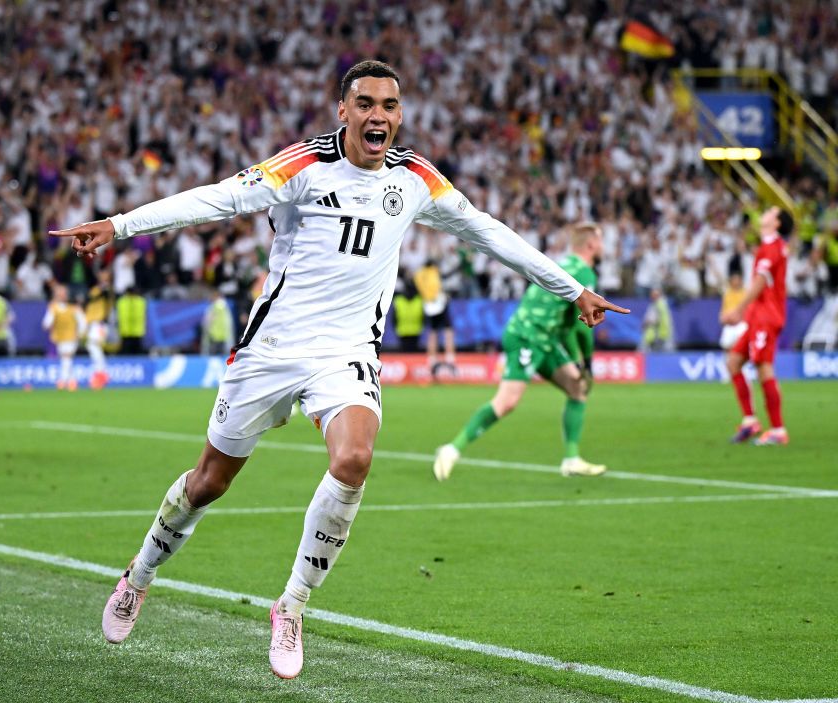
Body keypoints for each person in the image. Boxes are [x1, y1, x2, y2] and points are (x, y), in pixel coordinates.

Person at [51, 61, 627, 680]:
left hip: (348, 352)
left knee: (353, 460)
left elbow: (487, 232)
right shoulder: (304, 166)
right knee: (209, 482)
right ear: (343, 111)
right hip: (272, 348)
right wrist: (119, 225)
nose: (378, 115)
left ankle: (291, 605)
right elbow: (217, 198)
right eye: (366, 103)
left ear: (399, 116)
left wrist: (571, 289)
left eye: (389, 105)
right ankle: (139, 575)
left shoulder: (415, 180)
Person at [434, 222, 611, 481]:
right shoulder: (584, 273)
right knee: (506, 403)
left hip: (544, 338)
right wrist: (587, 363)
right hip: (528, 336)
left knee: (577, 389)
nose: (604, 246)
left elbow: (568, 326)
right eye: (601, 240)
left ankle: (572, 459)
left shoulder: (561, 263)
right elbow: (581, 327)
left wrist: (579, 363)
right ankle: (452, 449)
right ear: (591, 244)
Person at [720, 206, 793, 445]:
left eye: (772, 211)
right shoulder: (769, 246)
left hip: (766, 317)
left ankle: (778, 430)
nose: (767, 211)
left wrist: (737, 309)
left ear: (777, 223)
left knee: (763, 367)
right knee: (733, 362)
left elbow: (761, 281)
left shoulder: (772, 247)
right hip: (757, 316)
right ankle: (750, 421)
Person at [414, 259, 456, 377]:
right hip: (439, 303)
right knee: (448, 330)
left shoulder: (419, 274)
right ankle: (450, 358)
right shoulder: (433, 271)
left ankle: (432, 359)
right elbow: (441, 282)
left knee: (432, 332)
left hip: (429, 305)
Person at [42, 284, 85, 391]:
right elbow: (46, 323)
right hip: (60, 337)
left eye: (63, 293)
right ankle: (72, 381)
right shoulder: (54, 308)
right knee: (65, 358)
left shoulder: (74, 308)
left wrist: (80, 333)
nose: (61, 295)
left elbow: (82, 321)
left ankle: (63, 380)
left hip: (71, 337)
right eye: (59, 293)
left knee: (66, 357)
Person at [84, 271, 113, 389]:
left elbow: (101, 296)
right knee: (93, 346)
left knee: (93, 346)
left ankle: (101, 374)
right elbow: (90, 298)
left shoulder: (106, 290)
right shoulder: (96, 289)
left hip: (100, 324)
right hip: (93, 323)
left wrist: (104, 286)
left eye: (105, 275)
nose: (102, 276)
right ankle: (101, 374)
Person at [200, 290, 235, 356]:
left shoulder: (213, 307)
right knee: (223, 357)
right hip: (224, 336)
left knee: (213, 356)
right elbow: (229, 322)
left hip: (214, 336)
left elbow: (206, 322)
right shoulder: (225, 307)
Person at [115, 286, 147, 355]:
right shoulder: (140, 301)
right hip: (127, 331)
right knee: (127, 351)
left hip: (134, 330)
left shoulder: (123, 301)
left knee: (136, 350)